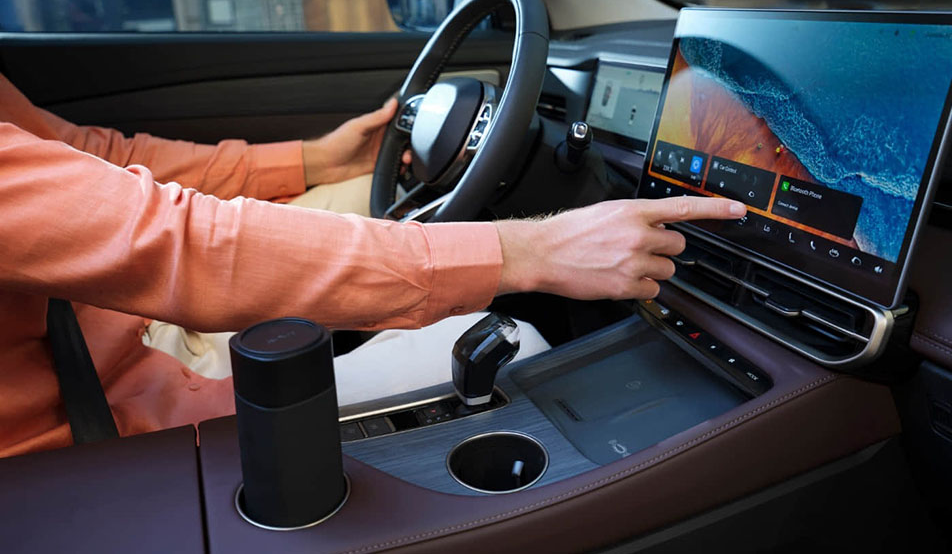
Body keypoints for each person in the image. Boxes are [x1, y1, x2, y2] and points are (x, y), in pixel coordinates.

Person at [0, 73, 745, 458]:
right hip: (99, 423)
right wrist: (533, 250)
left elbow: (90, 159)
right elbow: (178, 244)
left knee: (375, 197)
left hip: (108, 319)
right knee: (523, 344)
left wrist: (317, 160)